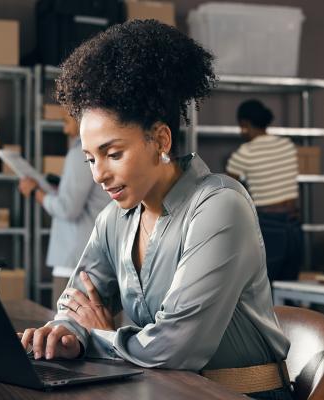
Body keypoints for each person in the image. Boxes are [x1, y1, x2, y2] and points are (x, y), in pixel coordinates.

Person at [21, 20, 293, 399]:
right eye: (89, 159)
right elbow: (77, 300)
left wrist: (97, 336)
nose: (99, 174)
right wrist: (64, 331)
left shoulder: (219, 206)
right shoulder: (114, 219)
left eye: (113, 153)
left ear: (160, 139)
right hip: (165, 391)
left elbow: (175, 347)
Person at [18, 109, 109, 306]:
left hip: (75, 263)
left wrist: (36, 192)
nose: (64, 128)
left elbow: (68, 208)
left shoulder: (80, 154)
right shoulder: (101, 149)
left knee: (65, 333)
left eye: (65, 120)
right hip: (94, 260)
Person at [226, 99, 302, 282]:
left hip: (268, 225)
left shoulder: (244, 153)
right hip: (294, 224)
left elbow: (226, 190)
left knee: (265, 287)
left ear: (244, 124)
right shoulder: (287, 145)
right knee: (290, 287)